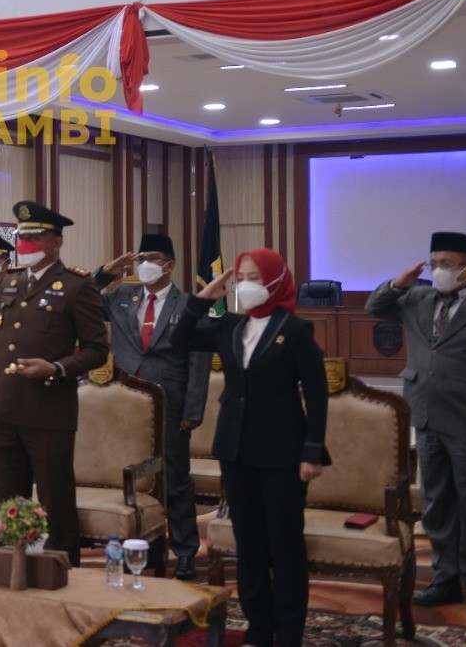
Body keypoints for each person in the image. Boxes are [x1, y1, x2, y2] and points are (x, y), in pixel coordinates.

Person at [171, 247, 329, 647]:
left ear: (275, 281)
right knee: (249, 542)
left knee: (285, 545)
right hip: (236, 449)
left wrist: (312, 450)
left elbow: (317, 394)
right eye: (241, 277)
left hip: (282, 452)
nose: (245, 284)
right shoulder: (230, 325)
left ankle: (288, 632)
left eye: (254, 277)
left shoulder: (296, 331)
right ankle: (259, 628)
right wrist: (200, 301)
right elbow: (180, 338)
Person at [0, 201, 108, 565]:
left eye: (34, 236)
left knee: (55, 500)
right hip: (5, 407)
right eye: (21, 236)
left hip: (48, 409)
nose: (24, 243)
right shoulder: (9, 281)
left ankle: (62, 571)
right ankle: (14, 567)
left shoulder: (77, 285)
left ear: (56, 242)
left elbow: (97, 350)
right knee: (7, 501)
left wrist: (55, 367)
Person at [366, 232, 466, 617]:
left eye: (447, 264)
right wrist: (398, 283)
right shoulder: (416, 298)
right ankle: (445, 578)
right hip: (426, 415)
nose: (439, 270)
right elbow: (374, 307)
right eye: (434, 263)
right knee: (436, 502)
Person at [91, 233, 212, 580]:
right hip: (125, 404)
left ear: (169, 265)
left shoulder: (189, 305)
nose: (145, 264)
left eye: (153, 258)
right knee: (128, 477)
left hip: (170, 404)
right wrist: (105, 273)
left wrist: (193, 411)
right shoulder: (121, 297)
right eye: (141, 258)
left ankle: (185, 551)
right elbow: (82, 297)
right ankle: (138, 546)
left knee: (175, 479)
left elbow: (200, 363)